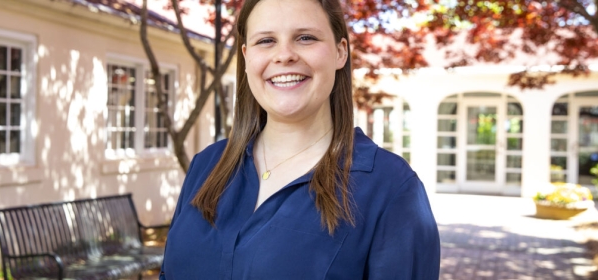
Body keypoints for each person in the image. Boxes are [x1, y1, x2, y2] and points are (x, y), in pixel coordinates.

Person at [160, 0, 440, 278]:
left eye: (305, 38)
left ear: (340, 52)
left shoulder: (390, 188)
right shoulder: (206, 166)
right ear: (246, 57)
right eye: (266, 40)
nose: (284, 55)